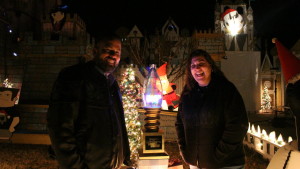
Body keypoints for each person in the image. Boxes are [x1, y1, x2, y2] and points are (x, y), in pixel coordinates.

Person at [47, 34, 131, 169]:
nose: (112, 55)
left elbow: (119, 122)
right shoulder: (74, 77)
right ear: (95, 51)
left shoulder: (112, 83)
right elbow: (59, 126)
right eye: (107, 50)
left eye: (117, 52)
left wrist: (125, 155)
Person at [175, 49, 249, 169]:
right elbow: (179, 123)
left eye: (201, 63)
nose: (197, 68)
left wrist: (217, 156)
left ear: (210, 65)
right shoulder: (187, 94)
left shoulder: (226, 90)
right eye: (193, 66)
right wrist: (184, 150)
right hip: (196, 163)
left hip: (225, 163)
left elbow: (238, 125)